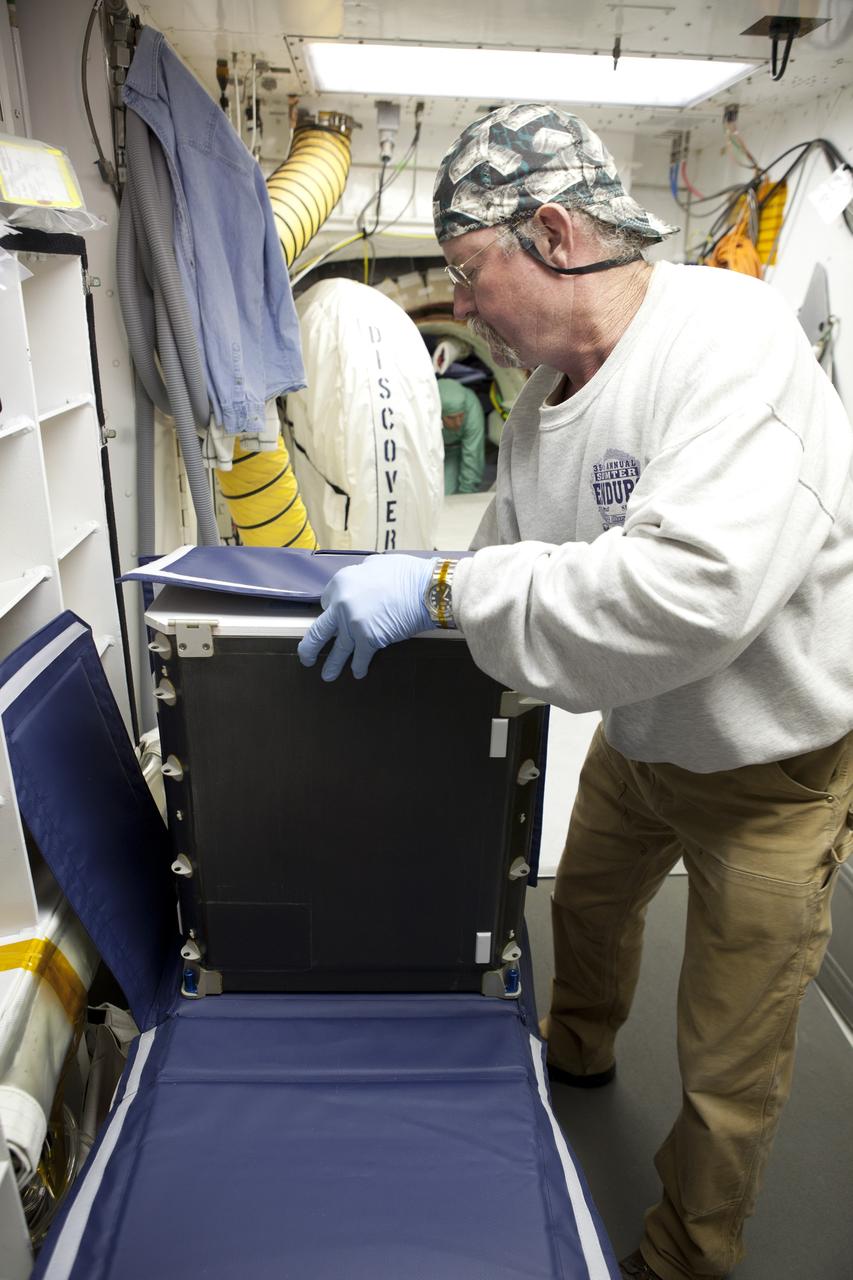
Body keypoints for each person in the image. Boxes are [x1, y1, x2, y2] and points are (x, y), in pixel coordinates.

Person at [297, 102, 853, 1280]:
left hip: (771, 765)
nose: (456, 305)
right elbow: (499, 573)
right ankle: (574, 1060)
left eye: (464, 270)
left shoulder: (729, 343)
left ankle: (682, 1256)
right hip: (642, 740)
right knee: (585, 911)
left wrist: (443, 591)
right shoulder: (541, 410)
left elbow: (685, 596)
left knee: (725, 1063)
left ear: (551, 231)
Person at [437, 376, 486, 493]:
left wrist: (466, 495)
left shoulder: (472, 409)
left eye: (461, 415)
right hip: (430, 452)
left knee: (448, 494)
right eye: (451, 417)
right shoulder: (423, 411)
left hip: (456, 449)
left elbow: (473, 454)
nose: (458, 423)